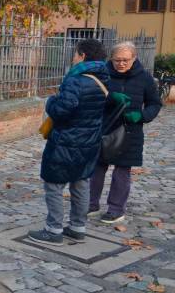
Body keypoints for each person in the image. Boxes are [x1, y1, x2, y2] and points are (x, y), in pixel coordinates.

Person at [28, 39, 109, 246]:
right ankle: (77, 228)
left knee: (53, 184)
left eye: (75, 54)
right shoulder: (104, 78)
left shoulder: (76, 80)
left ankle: (53, 229)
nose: (73, 58)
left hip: (66, 141)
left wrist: (51, 101)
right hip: (89, 141)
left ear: (82, 56)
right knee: (81, 183)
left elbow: (63, 110)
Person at [89, 41, 162, 224]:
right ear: (111, 59)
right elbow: (91, 98)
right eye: (117, 60)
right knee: (96, 169)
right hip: (104, 128)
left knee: (122, 172)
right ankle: (90, 204)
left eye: (125, 60)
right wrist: (110, 99)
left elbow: (155, 103)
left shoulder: (144, 78)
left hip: (131, 131)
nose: (121, 63)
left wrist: (142, 115)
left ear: (134, 58)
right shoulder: (102, 75)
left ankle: (115, 209)